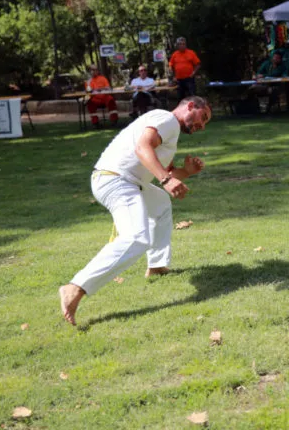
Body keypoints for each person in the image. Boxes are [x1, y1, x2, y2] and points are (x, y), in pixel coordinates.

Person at [59, 96, 212, 325]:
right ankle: (76, 287)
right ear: (190, 106)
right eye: (204, 117)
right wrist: (166, 180)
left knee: (160, 204)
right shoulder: (167, 119)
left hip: (125, 181)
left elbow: (162, 169)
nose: (202, 125)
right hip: (116, 179)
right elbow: (143, 148)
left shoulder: (169, 128)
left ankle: (157, 266)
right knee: (137, 238)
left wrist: (185, 172)